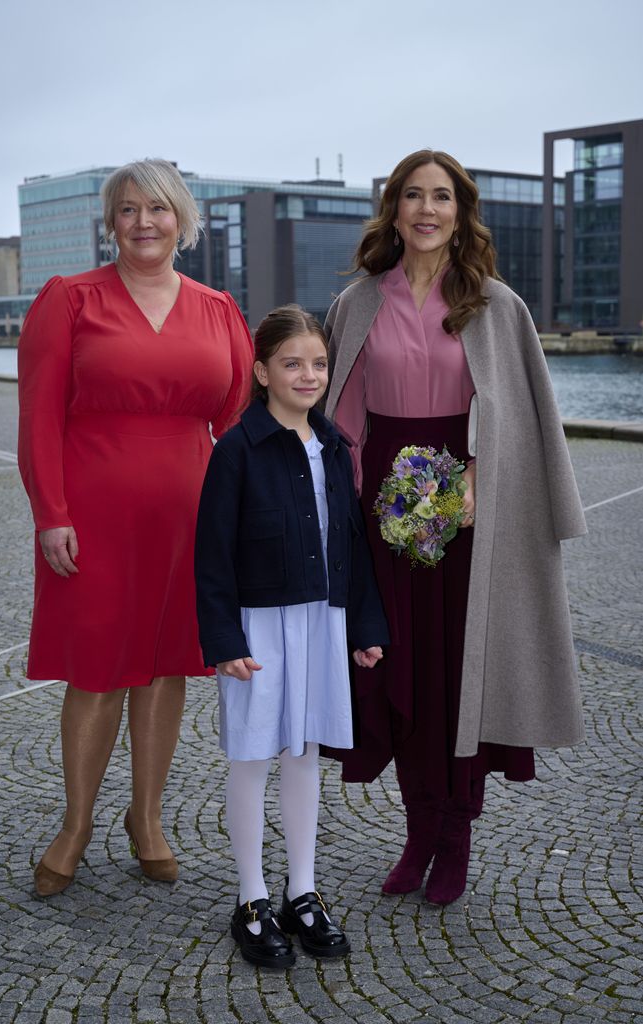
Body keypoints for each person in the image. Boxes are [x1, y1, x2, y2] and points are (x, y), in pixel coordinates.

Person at [323, 150, 586, 906]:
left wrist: (478, 481)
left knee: (458, 680)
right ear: (393, 210)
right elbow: (342, 421)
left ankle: (455, 836)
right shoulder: (357, 305)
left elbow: (523, 419)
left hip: (476, 521)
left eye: (441, 196)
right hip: (383, 520)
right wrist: (340, 518)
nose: (426, 209)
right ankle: (416, 833)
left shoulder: (497, 306)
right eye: (413, 195)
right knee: (398, 676)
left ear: (461, 211)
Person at [18, 159, 253, 896]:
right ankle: (76, 823)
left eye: (156, 208)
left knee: (167, 665)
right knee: (97, 671)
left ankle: (145, 819)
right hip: (90, 518)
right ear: (110, 221)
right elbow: (37, 422)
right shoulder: (69, 300)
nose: (143, 222)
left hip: (188, 518)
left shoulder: (218, 308)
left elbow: (240, 422)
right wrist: (51, 514)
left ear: (182, 218)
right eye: (127, 210)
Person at [194, 305, 389, 967]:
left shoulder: (333, 446)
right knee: (251, 756)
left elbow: (352, 543)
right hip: (258, 625)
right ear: (261, 371)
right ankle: (249, 899)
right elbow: (212, 553)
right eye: (292, 363)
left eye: (318, 364)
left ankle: (299, 892)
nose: (307, 375)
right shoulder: (236, 450)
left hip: (321, 619)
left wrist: (362, 625)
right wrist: (223, 639)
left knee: (304, 754)